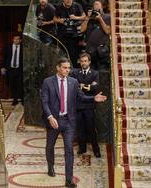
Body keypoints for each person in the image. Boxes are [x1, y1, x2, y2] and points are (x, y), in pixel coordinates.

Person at [41, 57, 106, 187]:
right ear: (58, 68)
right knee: (50, 146)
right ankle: (50, 167)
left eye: (68, 68)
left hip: (68, 121)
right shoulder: (47, 82)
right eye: (65, 68)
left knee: (69, 149)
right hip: (53, 121)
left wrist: (94, 98)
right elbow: (44, 101)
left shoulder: (73, 82)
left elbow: (81, 97)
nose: (67, 70)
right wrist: (50, 117)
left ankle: (68, 180)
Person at [71, 53, 101, 158]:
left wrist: (82, 86)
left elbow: (95, 88)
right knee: (80, 128)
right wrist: (88, 86)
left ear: (89, 62)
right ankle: (82, 148)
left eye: (85, 61)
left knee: (91, 128)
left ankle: (96, 149)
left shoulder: (95, 73)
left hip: (89, 105)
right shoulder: (75, 73)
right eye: (82, 61)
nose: (83, 63)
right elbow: (75, 87)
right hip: (78, 105)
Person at [54, 0, 86, 68]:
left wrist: (75, 17)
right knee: (62, 54)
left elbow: (84, 17)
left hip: (74, 35)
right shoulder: (59, 7)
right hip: (62, 34)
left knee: (73, 55)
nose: (68, 1)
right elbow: (54, 19)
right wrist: (59, 20)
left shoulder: (77, 5)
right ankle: (62, 70)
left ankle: (72, 71)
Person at [80, 0, 110, 70]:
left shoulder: (107, 17)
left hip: (102, 51)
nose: (96, 9)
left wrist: (100, 19)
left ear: (102, 8)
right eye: (95, 7)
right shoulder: (89, 18)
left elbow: (107, 31)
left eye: (98, 7)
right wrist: (87, 18)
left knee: (102, 73)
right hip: (90, 51)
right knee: (90, 73)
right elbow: (82, 29)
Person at [1, 34, 23, 106]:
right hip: (10, 69)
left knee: (20, 85)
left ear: (20, 40)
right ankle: (15, 99)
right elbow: (4, 57)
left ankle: (22, 99)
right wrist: (3, 67)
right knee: (12, 85)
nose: (16, 40)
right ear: (13, 40)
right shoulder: (8, 47)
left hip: (19, 69)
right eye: (14, 39)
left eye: (17, 39)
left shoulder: (23, 47)